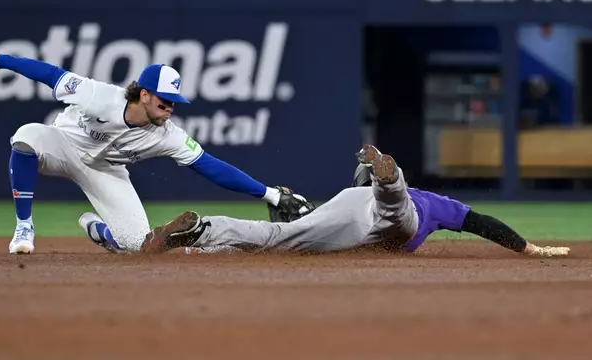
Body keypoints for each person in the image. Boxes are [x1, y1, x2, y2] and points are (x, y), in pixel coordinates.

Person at [0, 51, 313, 255]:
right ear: (142, 94)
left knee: (138, 246)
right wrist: (2, 60)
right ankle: (24, 226)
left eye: (174, 103)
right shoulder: (98, 96)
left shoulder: (167, 136)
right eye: (164, 101)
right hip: (62, 146)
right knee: (25, 137)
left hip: (105, 172)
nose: (170, 108)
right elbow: (50, 74)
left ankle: (98, 230)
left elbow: (211, 167)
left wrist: (269, 194)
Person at [141, 145, 570, 258]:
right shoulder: (435, 203)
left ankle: (203, 228)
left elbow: (309, 218)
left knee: (278, 235)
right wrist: (526, 247)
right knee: (396, 214)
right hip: (393, 213)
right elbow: (480, 222)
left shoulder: (347, 193)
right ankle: (391, 177)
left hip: (348, 213)